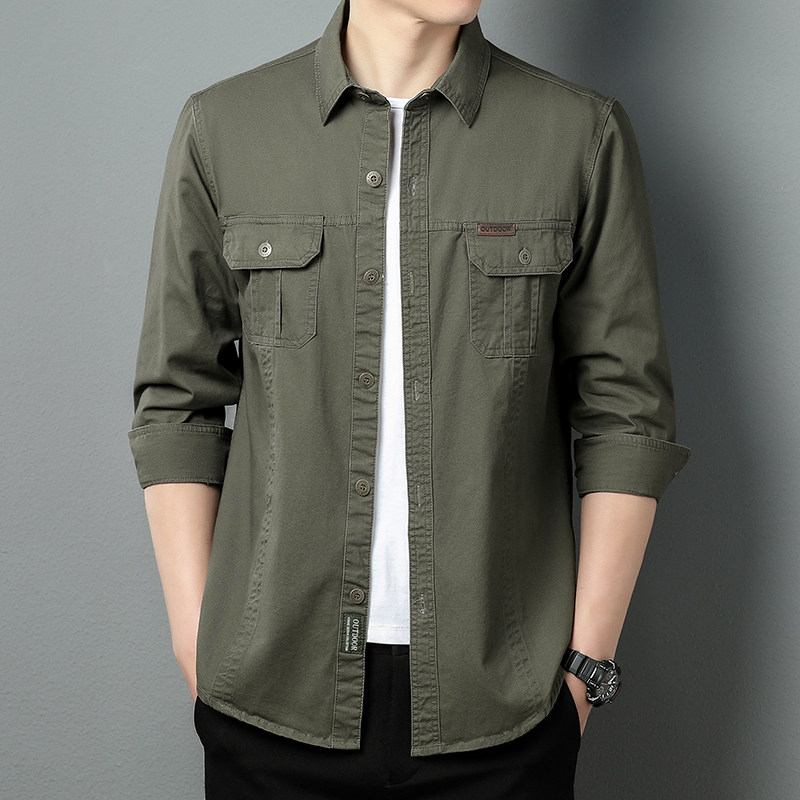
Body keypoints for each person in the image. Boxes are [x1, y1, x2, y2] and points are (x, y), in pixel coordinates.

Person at [128, 0, 690, 796]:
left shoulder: (579, 135)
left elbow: (626, 418)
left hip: (504, 712)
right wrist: (198, 644)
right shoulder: (223, 129)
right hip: (269, 702)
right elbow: (177, 402)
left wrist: (584, 671)